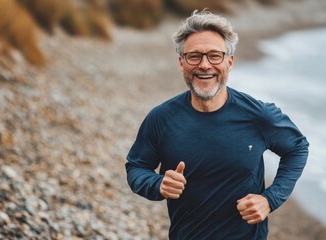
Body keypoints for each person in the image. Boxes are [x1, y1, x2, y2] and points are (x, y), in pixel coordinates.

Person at [125, 10, 309, 239]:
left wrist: (270, 199)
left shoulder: (258, 115)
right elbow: (136, 167)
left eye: (215, 55)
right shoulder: (161, 118)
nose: (204, 65)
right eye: (194, 56)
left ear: (229, 61)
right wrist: (158, 184)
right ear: (181, 62)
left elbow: (297, 147)